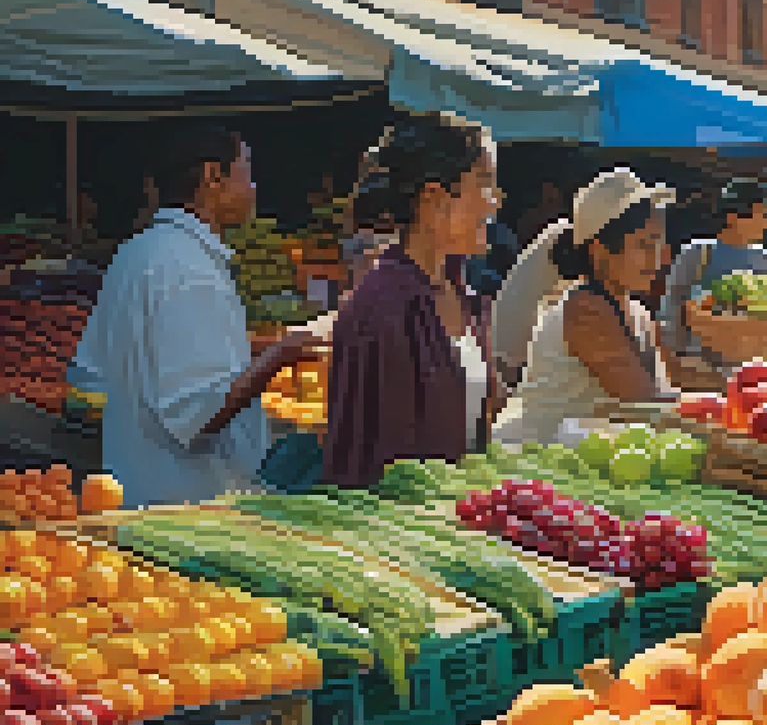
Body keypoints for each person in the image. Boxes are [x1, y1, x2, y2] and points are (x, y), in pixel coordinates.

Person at [69, 123, 315, 508]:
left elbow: (97, 373)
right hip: (186, 507)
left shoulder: (138, 252)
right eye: (246, 171)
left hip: (136, 490)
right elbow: (201, 415)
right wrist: (278, 357)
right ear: (212, 176)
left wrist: (254, 347)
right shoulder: (187, 268)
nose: (253, 189)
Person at [322, 112, 502, 488]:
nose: (495, 202)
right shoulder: (382, 307)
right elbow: (377, 470)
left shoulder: (463, 294)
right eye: (484, 184)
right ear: (435, 199)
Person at [493, 168, 678, 445]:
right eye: (644, 245)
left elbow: (662, 390)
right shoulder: (585, 309)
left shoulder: (637, 312)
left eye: (659, 246)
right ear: (600, 249)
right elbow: (643, 403)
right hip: (534, 464)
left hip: (581, 462)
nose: (658, 260)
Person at [659, 178, 767, 356]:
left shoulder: (766, 260)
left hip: (750, 364)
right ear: (733, 217)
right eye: (762, 215)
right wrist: (676, 356)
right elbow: (672, 307)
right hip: (699, 360)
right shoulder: (697, 253)